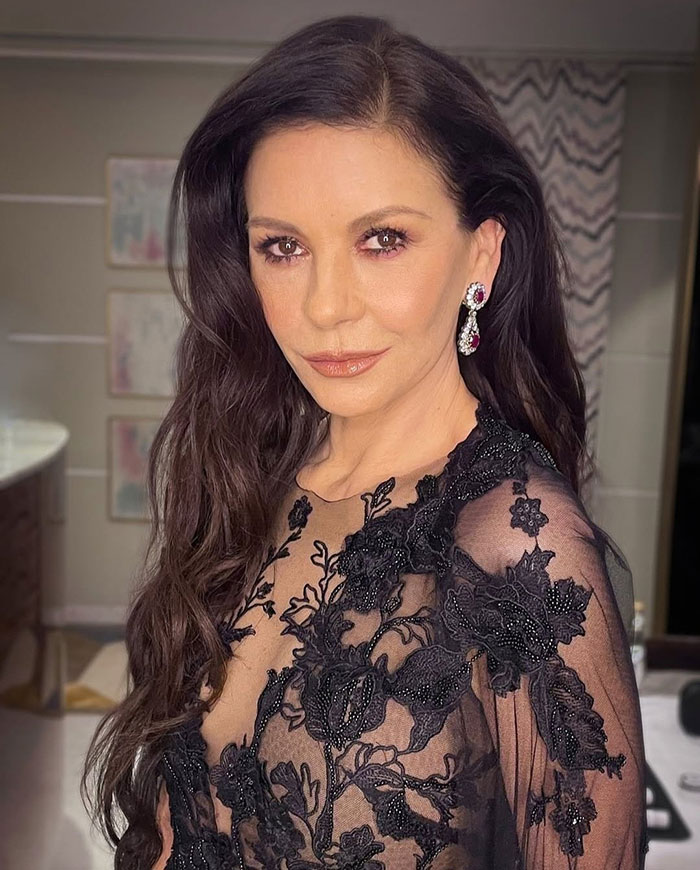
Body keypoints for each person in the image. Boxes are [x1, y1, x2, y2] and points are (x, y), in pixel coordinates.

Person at [82, 14, 649, 870]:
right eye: (283, 246)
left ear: (481, 256)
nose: (325, 306)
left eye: (382, 240)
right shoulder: (249, 474)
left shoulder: (520, 551)